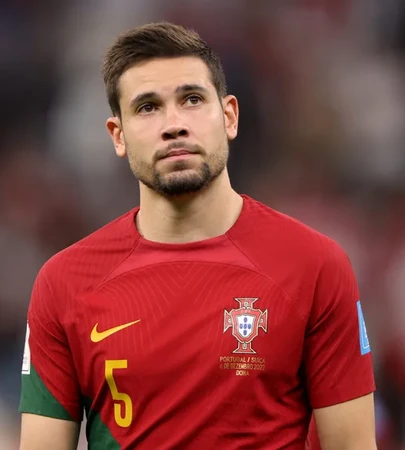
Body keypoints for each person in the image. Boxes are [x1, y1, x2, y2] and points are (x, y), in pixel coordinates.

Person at [19, 22, 377, 450]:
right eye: (148, 107)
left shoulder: (315, 266)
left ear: (229, 117)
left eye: (191, 99)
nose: (174, 125)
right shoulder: (63, 283)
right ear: (118, 135)